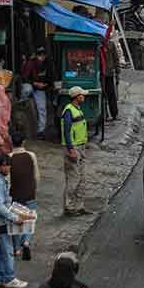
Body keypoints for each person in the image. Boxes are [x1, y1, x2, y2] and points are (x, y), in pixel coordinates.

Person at [0, 155, 29, 288]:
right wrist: (14, 218)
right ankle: (9, 278)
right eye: (3, 165)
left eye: (8, 165)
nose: (6, 167)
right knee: (8, 250)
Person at [9, 133, 40, 261]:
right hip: (30, 194)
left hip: (15, 195)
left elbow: (8, 180)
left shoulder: (9, 158)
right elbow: (36, 175)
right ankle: (26, 242)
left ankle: (16, 249)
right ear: (23, 142)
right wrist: (34, 188)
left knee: (16, 221)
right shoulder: (31, 155)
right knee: (30, 219)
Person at [62, 86, 90, 217]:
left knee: (82, 178)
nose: (83, 97)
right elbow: (66, 132)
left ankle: (79, 206)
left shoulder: (76, 109)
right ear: (77, 97)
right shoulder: (68, 111)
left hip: (81, 147)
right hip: (73, 148)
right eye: (82, 95)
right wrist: (71, 149)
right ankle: (69, 207)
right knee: (73, 179)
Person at [21, 46, 51, 139]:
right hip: (31, 85)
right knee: (27, 89)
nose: (41, 57)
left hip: (40, 89)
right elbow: (24, 77)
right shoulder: (31, 63)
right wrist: (35, 83)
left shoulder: (47, 64)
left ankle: (41, 131)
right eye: (40, 55)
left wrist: (45, 85)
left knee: (42, 109)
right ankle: (23, 101)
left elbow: (50, 77)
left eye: (43, 55)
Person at [95, 11, 120, 121]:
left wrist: (118, 71)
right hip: (100, 73)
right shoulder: (98, 46)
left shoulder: (110, 45)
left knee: (111, 94)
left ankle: (114, 114)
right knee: (102, 95)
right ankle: (104, 115)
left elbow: (116, 58)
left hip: (109, 72)